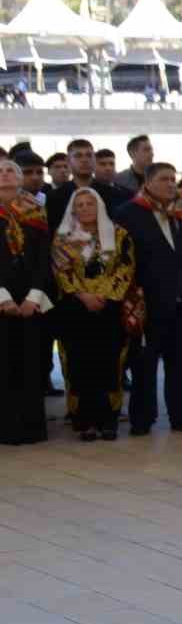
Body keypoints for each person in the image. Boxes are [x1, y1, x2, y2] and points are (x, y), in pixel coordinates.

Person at [116, 163, 182, 436]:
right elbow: (122, 260)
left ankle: (181, 415)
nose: (171, 184)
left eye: (173, 179)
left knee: (181, 363)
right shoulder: (128, 213)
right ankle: (142, 418)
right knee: (144, 364)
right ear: (147, 182)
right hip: (149, 304)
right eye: (164, 179)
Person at [52, 188, 134, 442]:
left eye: (90, 203)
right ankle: (84, 420)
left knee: (110, 363)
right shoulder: (63, 238)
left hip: (110, 307)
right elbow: (61, 272)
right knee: (79, 363)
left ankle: (108, 420)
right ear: (73, 209)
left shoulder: (119, 235)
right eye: (80, 205)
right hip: (76, 308)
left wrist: (105, 295)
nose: (86, 208)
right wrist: (84, 295)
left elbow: (126, 268)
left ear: (99, 206)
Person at [0, 160, 52, 445]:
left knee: (31, 364)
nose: (5, 174)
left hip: (32, 301)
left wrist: (34, 295)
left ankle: (31, 428)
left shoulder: (36, 212)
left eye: (11, 170)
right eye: (0, 171)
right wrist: (3, 298)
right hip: (1, 299)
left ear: (21, 179)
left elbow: (44, 258)